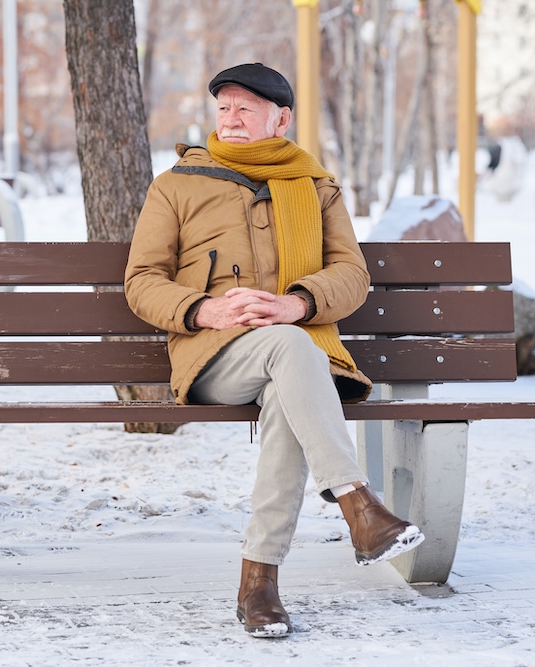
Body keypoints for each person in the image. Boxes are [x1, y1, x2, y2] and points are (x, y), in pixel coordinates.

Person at [125, 63, 424, 638]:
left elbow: (351, 274)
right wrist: (203, 309)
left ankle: (258, 585)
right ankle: (358, 505)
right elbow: (142, 280)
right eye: (224, 109)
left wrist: (298, 304)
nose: (231, 120)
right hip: (213, 354)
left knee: (291, 368)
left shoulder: (315, 187)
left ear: (280, 119)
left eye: (245, 109)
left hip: (296, 353)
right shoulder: (177, 184)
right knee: (293, 353)